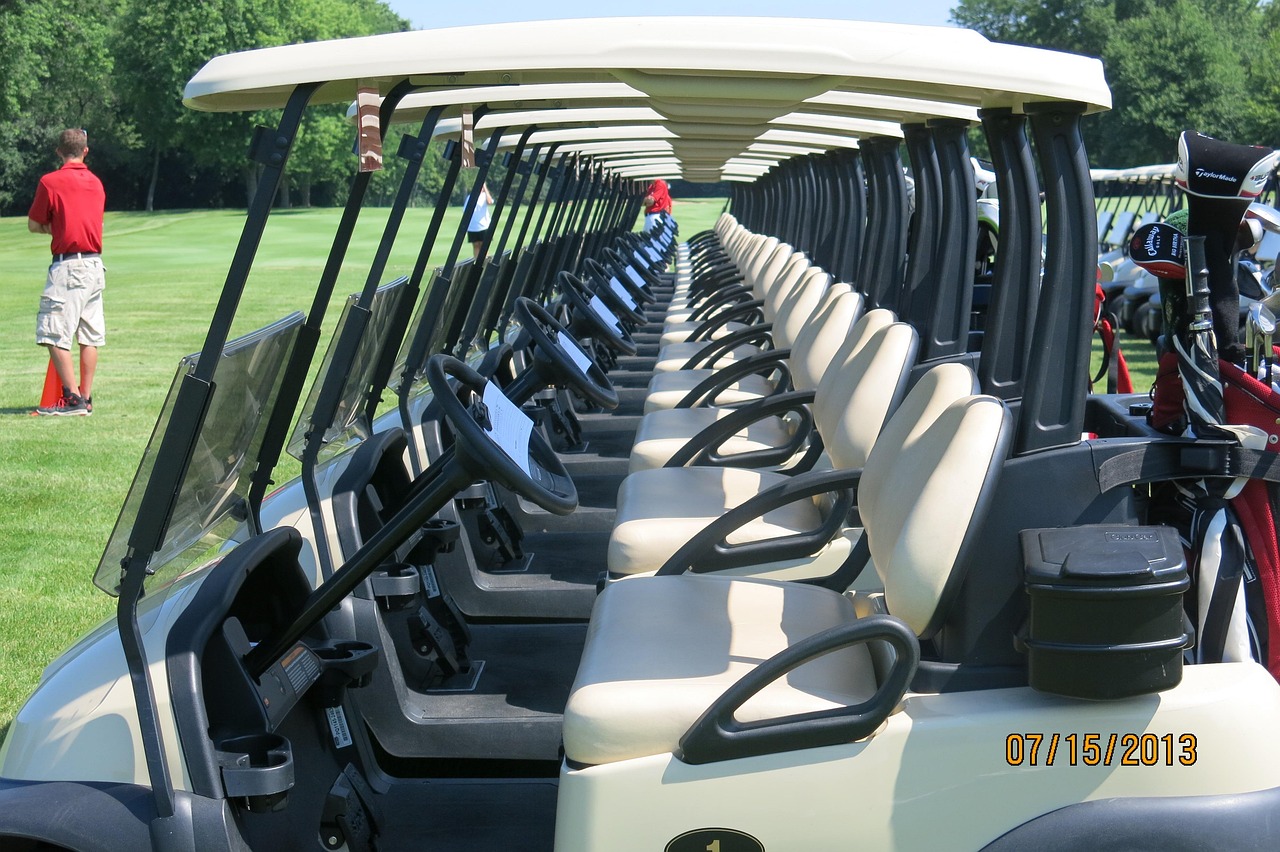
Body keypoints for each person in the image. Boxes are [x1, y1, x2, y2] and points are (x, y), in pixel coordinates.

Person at [28, 128, 105, 416]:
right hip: (96, 265)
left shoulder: (50, 182)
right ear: (85, 151)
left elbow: (34, 224)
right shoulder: (96, 183)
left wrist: (53, 227)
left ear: (59, 151)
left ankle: (72, 400)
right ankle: (86, 397)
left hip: (68, 265)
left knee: (53, 332)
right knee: (90, 335)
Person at [467, 180, 493, 260]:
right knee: (475, 246)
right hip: (473, 227)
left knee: (483, 246)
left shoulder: (485, 196)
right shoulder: (471, 196)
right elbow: (465, 210)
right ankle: (476, 262)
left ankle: (484, 263)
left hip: (483, 226)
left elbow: (490, 202)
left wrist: (485, 188)